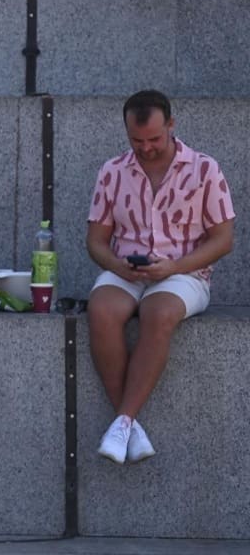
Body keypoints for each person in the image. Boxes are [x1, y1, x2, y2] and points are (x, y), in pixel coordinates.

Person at [87, 90, 234, 464]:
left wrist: (173, 267)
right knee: (101, 309)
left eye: (154, 139)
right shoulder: (111, 171)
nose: (146, 148)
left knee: (159, 313)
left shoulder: (205, 169)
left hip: (185, 272)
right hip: (128, 269)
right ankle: (127, 426)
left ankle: (123, 419)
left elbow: (223, 240)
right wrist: (117, 265)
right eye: (137, 141)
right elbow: (95, 242)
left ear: (171, 125)